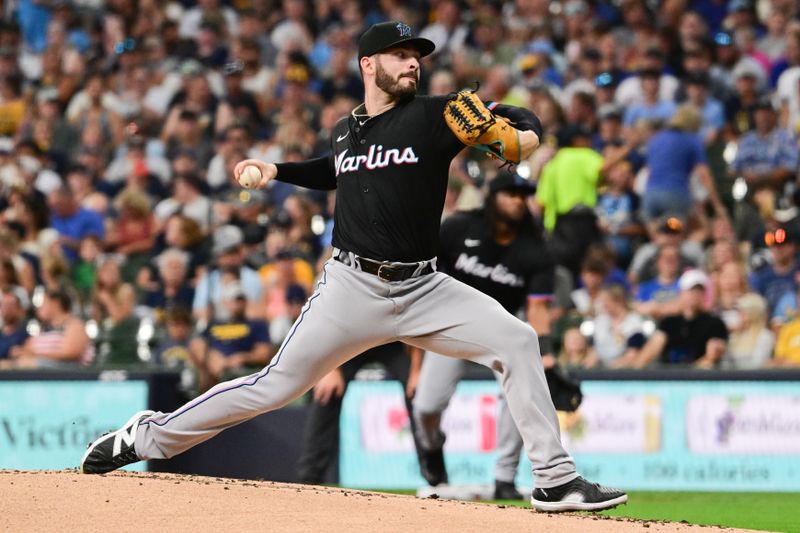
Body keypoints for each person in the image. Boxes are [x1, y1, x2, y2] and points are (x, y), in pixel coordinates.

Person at [80, 21, 626, 512]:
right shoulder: (348, 130)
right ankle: (143, 437)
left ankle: (554, 480)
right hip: (350, 287)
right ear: (368, 64)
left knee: (518, 340)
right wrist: (276, 169)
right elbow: (332, 168)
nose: (412, 62)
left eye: (417, 54)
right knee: (271, 387)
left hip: (424, 287)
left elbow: (519, 134)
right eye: (399, 53)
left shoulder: (437, 116)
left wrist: (520, 131)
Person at [412, 172, 557, 500]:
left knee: (518, 396)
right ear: (492, 197)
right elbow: (424, 276)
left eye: (523, 195)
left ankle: (504, 476)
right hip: (451, 321)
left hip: (502, 326)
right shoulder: (458, 227)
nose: (519, 200)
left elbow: (536, 309)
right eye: (511, 194)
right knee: (425, 407)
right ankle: (433, 448)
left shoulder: (534, 248)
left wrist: (545, 352)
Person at [296, 342, 423, 485]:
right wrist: (330, 369)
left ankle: (437, 480)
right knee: (328, 392)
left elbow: (415, 329)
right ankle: (308, 479)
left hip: (393, 340)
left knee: (421, 396)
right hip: (353, 339)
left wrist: (417, 371)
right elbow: (331, 324)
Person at [632, 270, 728, 368]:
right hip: (668, 376)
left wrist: (689, 373)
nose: (695, 295)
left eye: (699, 291)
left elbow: (712, 357)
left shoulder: (714, 323)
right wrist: (637, 371)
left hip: (699, 377)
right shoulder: (669, 322)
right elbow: (652, 348)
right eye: (691, 290)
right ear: (682, 293)